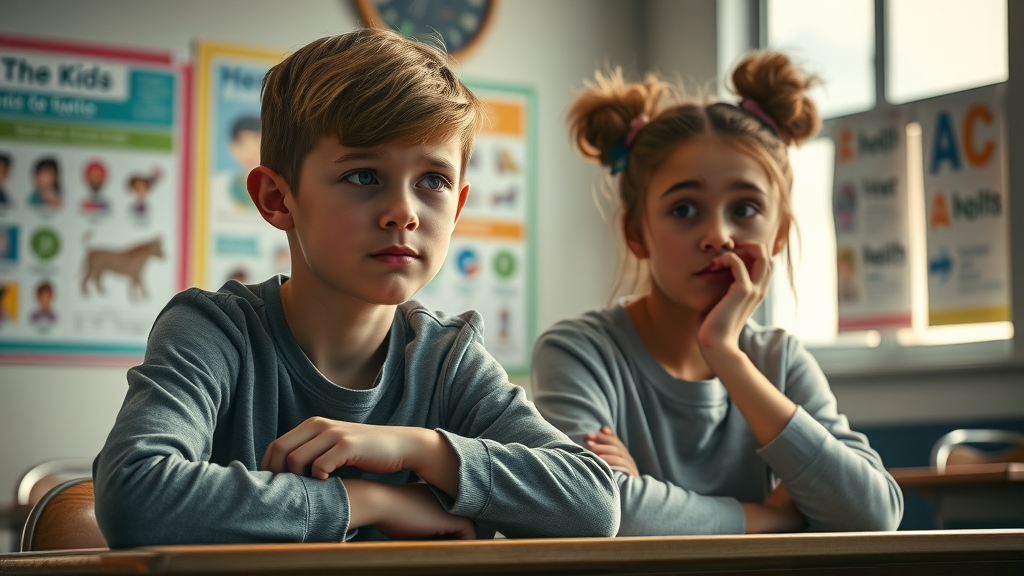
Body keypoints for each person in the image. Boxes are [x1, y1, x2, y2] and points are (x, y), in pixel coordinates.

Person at [93, 28, 618, 548]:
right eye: (364, 175)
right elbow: (135, 494)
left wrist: (419, 449)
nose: (404, 213)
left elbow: (594, 504)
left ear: (457, 209)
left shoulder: (446, 359)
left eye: (432, 181)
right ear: (277, 198)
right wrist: (367, 501)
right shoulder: (214, 332)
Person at [531, 51, 903, 536]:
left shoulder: (780, 361)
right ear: (636, 233)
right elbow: (593, 508)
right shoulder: (578, 353)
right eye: (685, 209)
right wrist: (773, 519)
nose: (718, 236)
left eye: (745, 208)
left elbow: (873, 516)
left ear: (779, 235)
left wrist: (726, 354)